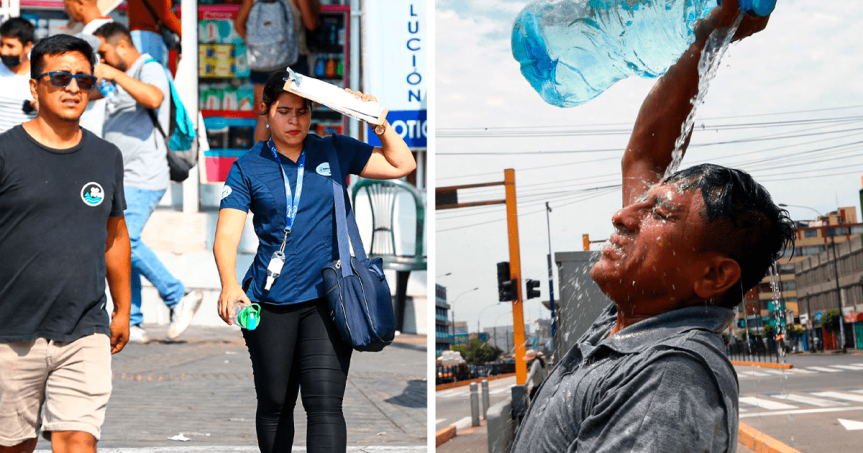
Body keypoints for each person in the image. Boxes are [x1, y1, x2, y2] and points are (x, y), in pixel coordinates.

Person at [510, 1, 795, 452]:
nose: (622, 217)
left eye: (659, 214)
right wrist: (710, 37)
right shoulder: (633, 320)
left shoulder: (670, 377)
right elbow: (646, 153)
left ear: (713, 276)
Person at [213, 69, 415, 453]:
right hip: (269, 302)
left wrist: (379, 123)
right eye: (284, 111)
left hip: (329, 298)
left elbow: (401, 165)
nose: (294, 121)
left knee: (325, 404)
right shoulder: (247, 167)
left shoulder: (333, 150)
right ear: (266, 111)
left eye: (302, 112)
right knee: (275, 403)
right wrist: (229, 283)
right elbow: (226, 235)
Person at [0, 34, 130, 453]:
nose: (73, 88)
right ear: (35, 87)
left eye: (83, 79)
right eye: (59, 77)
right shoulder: (5, 152)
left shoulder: (106, 156)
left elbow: (114, 235)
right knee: (14, 445)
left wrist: (123, 308)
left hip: (84, 328)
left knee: (77, 439)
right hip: (10, 331)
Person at [93, 22, 203, 343]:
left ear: (121, 45)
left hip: (145, 174)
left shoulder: (148, 67)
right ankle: (135, 319)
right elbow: (92, 92)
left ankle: (178, 294)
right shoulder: (116, 77)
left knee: (122, 241)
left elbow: (155, 98)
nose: (102, 59)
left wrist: (115, 75)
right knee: (122, 242)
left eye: (103, 52)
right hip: (121, 177)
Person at [234, 0, 320, 143]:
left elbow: (238, 25)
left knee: (264, 115)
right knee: (295, 114)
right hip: (292, 62)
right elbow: (310, 24)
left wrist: (258, 46)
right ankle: (292, 160)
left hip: (262, 64)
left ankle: (259, 162)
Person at [0, 17, 37, 133]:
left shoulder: (41, 77)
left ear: (27, 47)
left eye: (10, 46)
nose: (4, 51)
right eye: (1, 44)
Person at [127, 0, 182, 68]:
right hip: (149, 36)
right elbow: (164, 13)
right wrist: (183, 33)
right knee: (155, 73)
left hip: (145, 34)